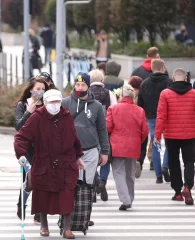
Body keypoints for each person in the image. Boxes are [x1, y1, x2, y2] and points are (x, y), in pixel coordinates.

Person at [14, 89, 85, 239]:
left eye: (57, 102)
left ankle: (67, 228)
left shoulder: (66, 116)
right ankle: (44, 225)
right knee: (43, 193)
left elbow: (74, 139)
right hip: (44, 161)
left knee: (67, 193)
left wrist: (78, 156)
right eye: (51, 102)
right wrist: (21, 154)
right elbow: (21, 137)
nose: (54, 105)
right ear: (45, 103)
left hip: (65, 161)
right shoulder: (37, 117)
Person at [154, 68, 195, 205]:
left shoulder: (165, 94)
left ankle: (177, 192)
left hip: (171, 135)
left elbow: (161, 116)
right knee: (189, 161)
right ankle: (188, 186)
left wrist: (157, 135)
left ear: (173, 77)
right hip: (189, 134)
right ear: (186, 78)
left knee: (174, 162)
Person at [62, 73, 109, 206]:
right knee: (70, 184)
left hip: (90, 151)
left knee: (87, 185)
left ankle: (84, 216)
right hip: (70, 151)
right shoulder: (65, 103)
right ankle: (69, 215)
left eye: (83, 85)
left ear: (88, 86)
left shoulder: (97, 106)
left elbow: (102, 130)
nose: (80, 87)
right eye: (77, 84)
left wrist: (104, 152)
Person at [106, 84, 148, 210]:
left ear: (121, 95)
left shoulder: (113, 109)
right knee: (130, 173)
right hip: (133, 145)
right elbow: (144, 130)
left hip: (117, 144)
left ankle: (125, 199)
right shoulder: (139, 110)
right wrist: (137, 141)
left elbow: (108, 127)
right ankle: (130, 197)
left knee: (118, 172)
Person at [14, 77, 49, 223]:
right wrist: (28, 112)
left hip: (44, 148)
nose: (40, 92)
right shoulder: (22, 105)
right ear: (31, 90)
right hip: (27, 150)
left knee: (43, 180)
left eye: (43, 89)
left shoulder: (48, 105)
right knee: (31, 179)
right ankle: (22, 203)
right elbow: (18, 127)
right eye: (37, 89)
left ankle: (39, 212)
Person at [138, 59, 171, 184]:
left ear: (152, 68)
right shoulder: (169, 82)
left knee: (155, 144)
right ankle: (165, 166)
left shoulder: (144, 83)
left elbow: (140, 104)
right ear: (163, 67)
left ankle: (158, 176)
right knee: (168, 143)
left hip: (151, 117)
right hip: (167, 117)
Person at [88, 69, 111, 202]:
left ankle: (94, 182)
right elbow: (113, 110)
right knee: (105, 155)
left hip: (89, 129)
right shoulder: (109, 94)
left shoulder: (87, 93)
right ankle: (102, 181)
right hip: (105, 129)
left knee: (91, 157)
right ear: (102, 80)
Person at [128, 75, 146, 178]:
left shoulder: (127, 94)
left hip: (131, 122)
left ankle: (133, 162)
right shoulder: (142, 94)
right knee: (142, 145)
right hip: (142, 120)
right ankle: (140, 162)